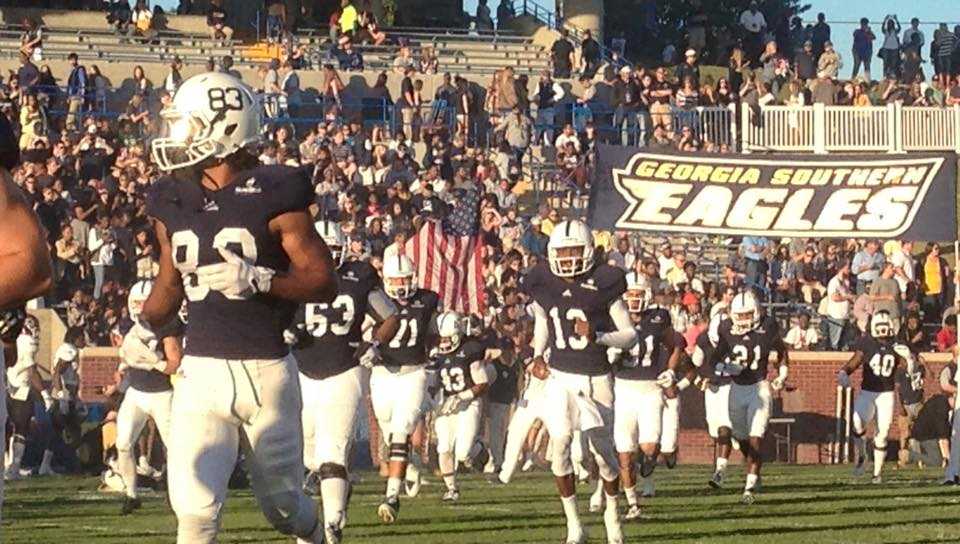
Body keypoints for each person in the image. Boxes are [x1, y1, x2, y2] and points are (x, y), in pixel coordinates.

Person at [127, 72, 338, 544]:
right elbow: (168, 281)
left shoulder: (276, 189)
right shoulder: (172, 196)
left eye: (188, 125)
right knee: (195, 512)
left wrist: (262, 279)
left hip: (266, 370)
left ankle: (318, 536)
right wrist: (147, 323)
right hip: (201, 371)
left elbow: (323, 280)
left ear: (223, 129)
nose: (175, 137)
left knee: (284, 508)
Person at [522, 219, 636, 544]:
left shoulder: (605, 282)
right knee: (559, 444)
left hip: (597, 376)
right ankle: (575, 527)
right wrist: (537, 354)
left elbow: (629, 335)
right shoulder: (543, 280)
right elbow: (543, 320)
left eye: (574, 251)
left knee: (604, 455)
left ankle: (612, 513)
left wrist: (599, 336)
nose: (569, 258)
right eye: (563, 251)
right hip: (560, 375)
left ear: (588, 251)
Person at [288, 221, 398, 542]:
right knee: (309, 455)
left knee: (332, 452)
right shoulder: (293, 274)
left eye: (332, 249)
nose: (325, 254)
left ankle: (332, 523)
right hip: (303, 372)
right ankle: (338, 496)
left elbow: (389, 317)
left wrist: (374, 343)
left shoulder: (358, 277)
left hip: (344, 369)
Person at [371, 254, 440, 523]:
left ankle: (391, 497)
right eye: (396, 279)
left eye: (405, 278)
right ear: (386, 280)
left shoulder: (427, 299)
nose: (401, 284)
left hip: (414, 373)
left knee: (401, 431)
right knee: (389, 433)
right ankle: (407, 466)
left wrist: (434, 352)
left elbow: (433, 332)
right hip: (382, 373)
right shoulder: (375, 300)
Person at [611, 275, 681, 520]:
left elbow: (676, 345)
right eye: (629, 294)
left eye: (638, 294)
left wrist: (671, 370)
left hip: (650, 388)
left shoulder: (658, 318)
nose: (633, 299)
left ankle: (645, 467)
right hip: (623, 388)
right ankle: (632, 505)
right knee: (624, 453)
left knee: (650, 448)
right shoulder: (614, 317)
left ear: (647, 296)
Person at [711, 290, 789, 503]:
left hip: (759, 387)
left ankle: (749, 487)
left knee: (756, 438)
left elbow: (781, 351)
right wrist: (725, 367)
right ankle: (755, 472)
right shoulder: (726, 327)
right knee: (742, 438)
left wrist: (782, 374)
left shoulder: (768, 325)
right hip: (737, 388)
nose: (744, 319)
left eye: (748, 314)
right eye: (741, 314)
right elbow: (715, 357)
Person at [114, 280, 182, 515]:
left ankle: (177, 495)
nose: (139, 307)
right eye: (136, 302)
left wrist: (153, 361)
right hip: (136, 392)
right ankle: (131, 494)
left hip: (162, 394)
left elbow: (175, 365)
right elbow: (127, 358)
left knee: (174, 449)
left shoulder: (167, 325)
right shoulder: (127, 326)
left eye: (143, 302)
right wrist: (126, 363)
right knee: (123, 443)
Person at [837, 310, 919, 484]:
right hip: (868, 391)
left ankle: (877, 474)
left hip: (886, 394)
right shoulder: (867, 342)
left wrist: (909, 359)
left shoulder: (897, 344)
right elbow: (857, 359)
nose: (882, 332)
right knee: (857, 423)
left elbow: (907, 367)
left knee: (882, 434)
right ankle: (862, 456)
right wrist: (845, 371)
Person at [430, 311, 499, 501]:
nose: (444, 342)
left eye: (447, 337)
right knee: (443, 447)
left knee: (462, 453)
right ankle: (451, 489)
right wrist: (433, 399)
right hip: (446, 404)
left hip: (468, 403)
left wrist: (463, 396)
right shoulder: (435, 353)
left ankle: (478, 448)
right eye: (441, 337)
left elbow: (483, 383)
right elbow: (432, 382)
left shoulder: (470, 349)